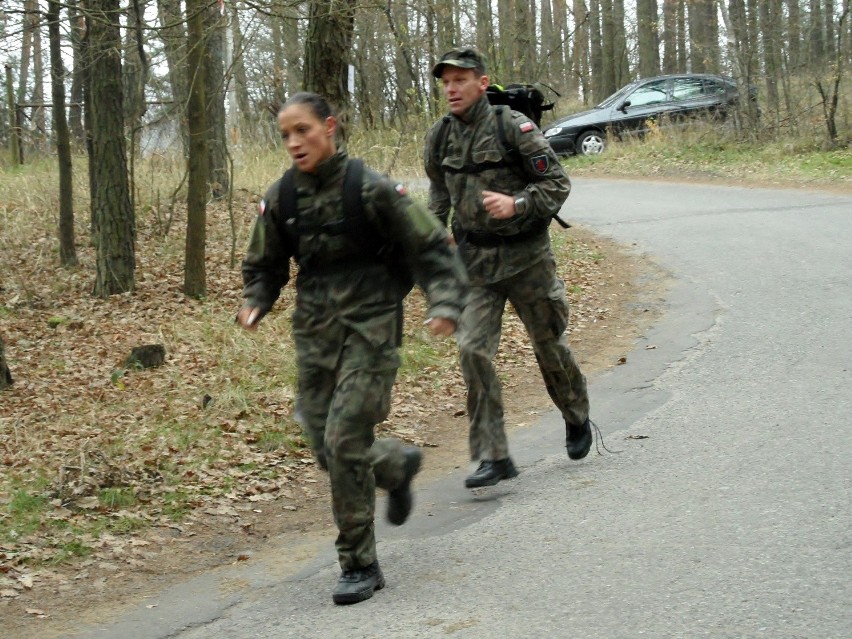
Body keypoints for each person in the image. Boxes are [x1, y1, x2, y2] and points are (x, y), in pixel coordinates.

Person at [238, 92, 467, 605]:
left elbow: (430, 246)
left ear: (330, 127)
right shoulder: (282, 199)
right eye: (286, 135)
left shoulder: (371, 189)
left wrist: (446, 302)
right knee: (323, 444)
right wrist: (256, 299)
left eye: (303, 130)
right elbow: (265, 265)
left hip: (371, 329)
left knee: (343, 439)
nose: (295, 142)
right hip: (315, 333)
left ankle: (359, 564)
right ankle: (393, 465)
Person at [424, 47, 593, 490]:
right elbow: (439, 191)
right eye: (445, 82)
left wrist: (516, 203)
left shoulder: (513, 127)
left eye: (460, 79)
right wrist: (435, 229)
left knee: (549, 346)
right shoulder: (440, 136)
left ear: (482, 83)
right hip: (475, 265)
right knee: (473, 352)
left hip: (527, 260)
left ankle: (576, 416)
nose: (451, 88)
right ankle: (493, 455)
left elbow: (557, 183)